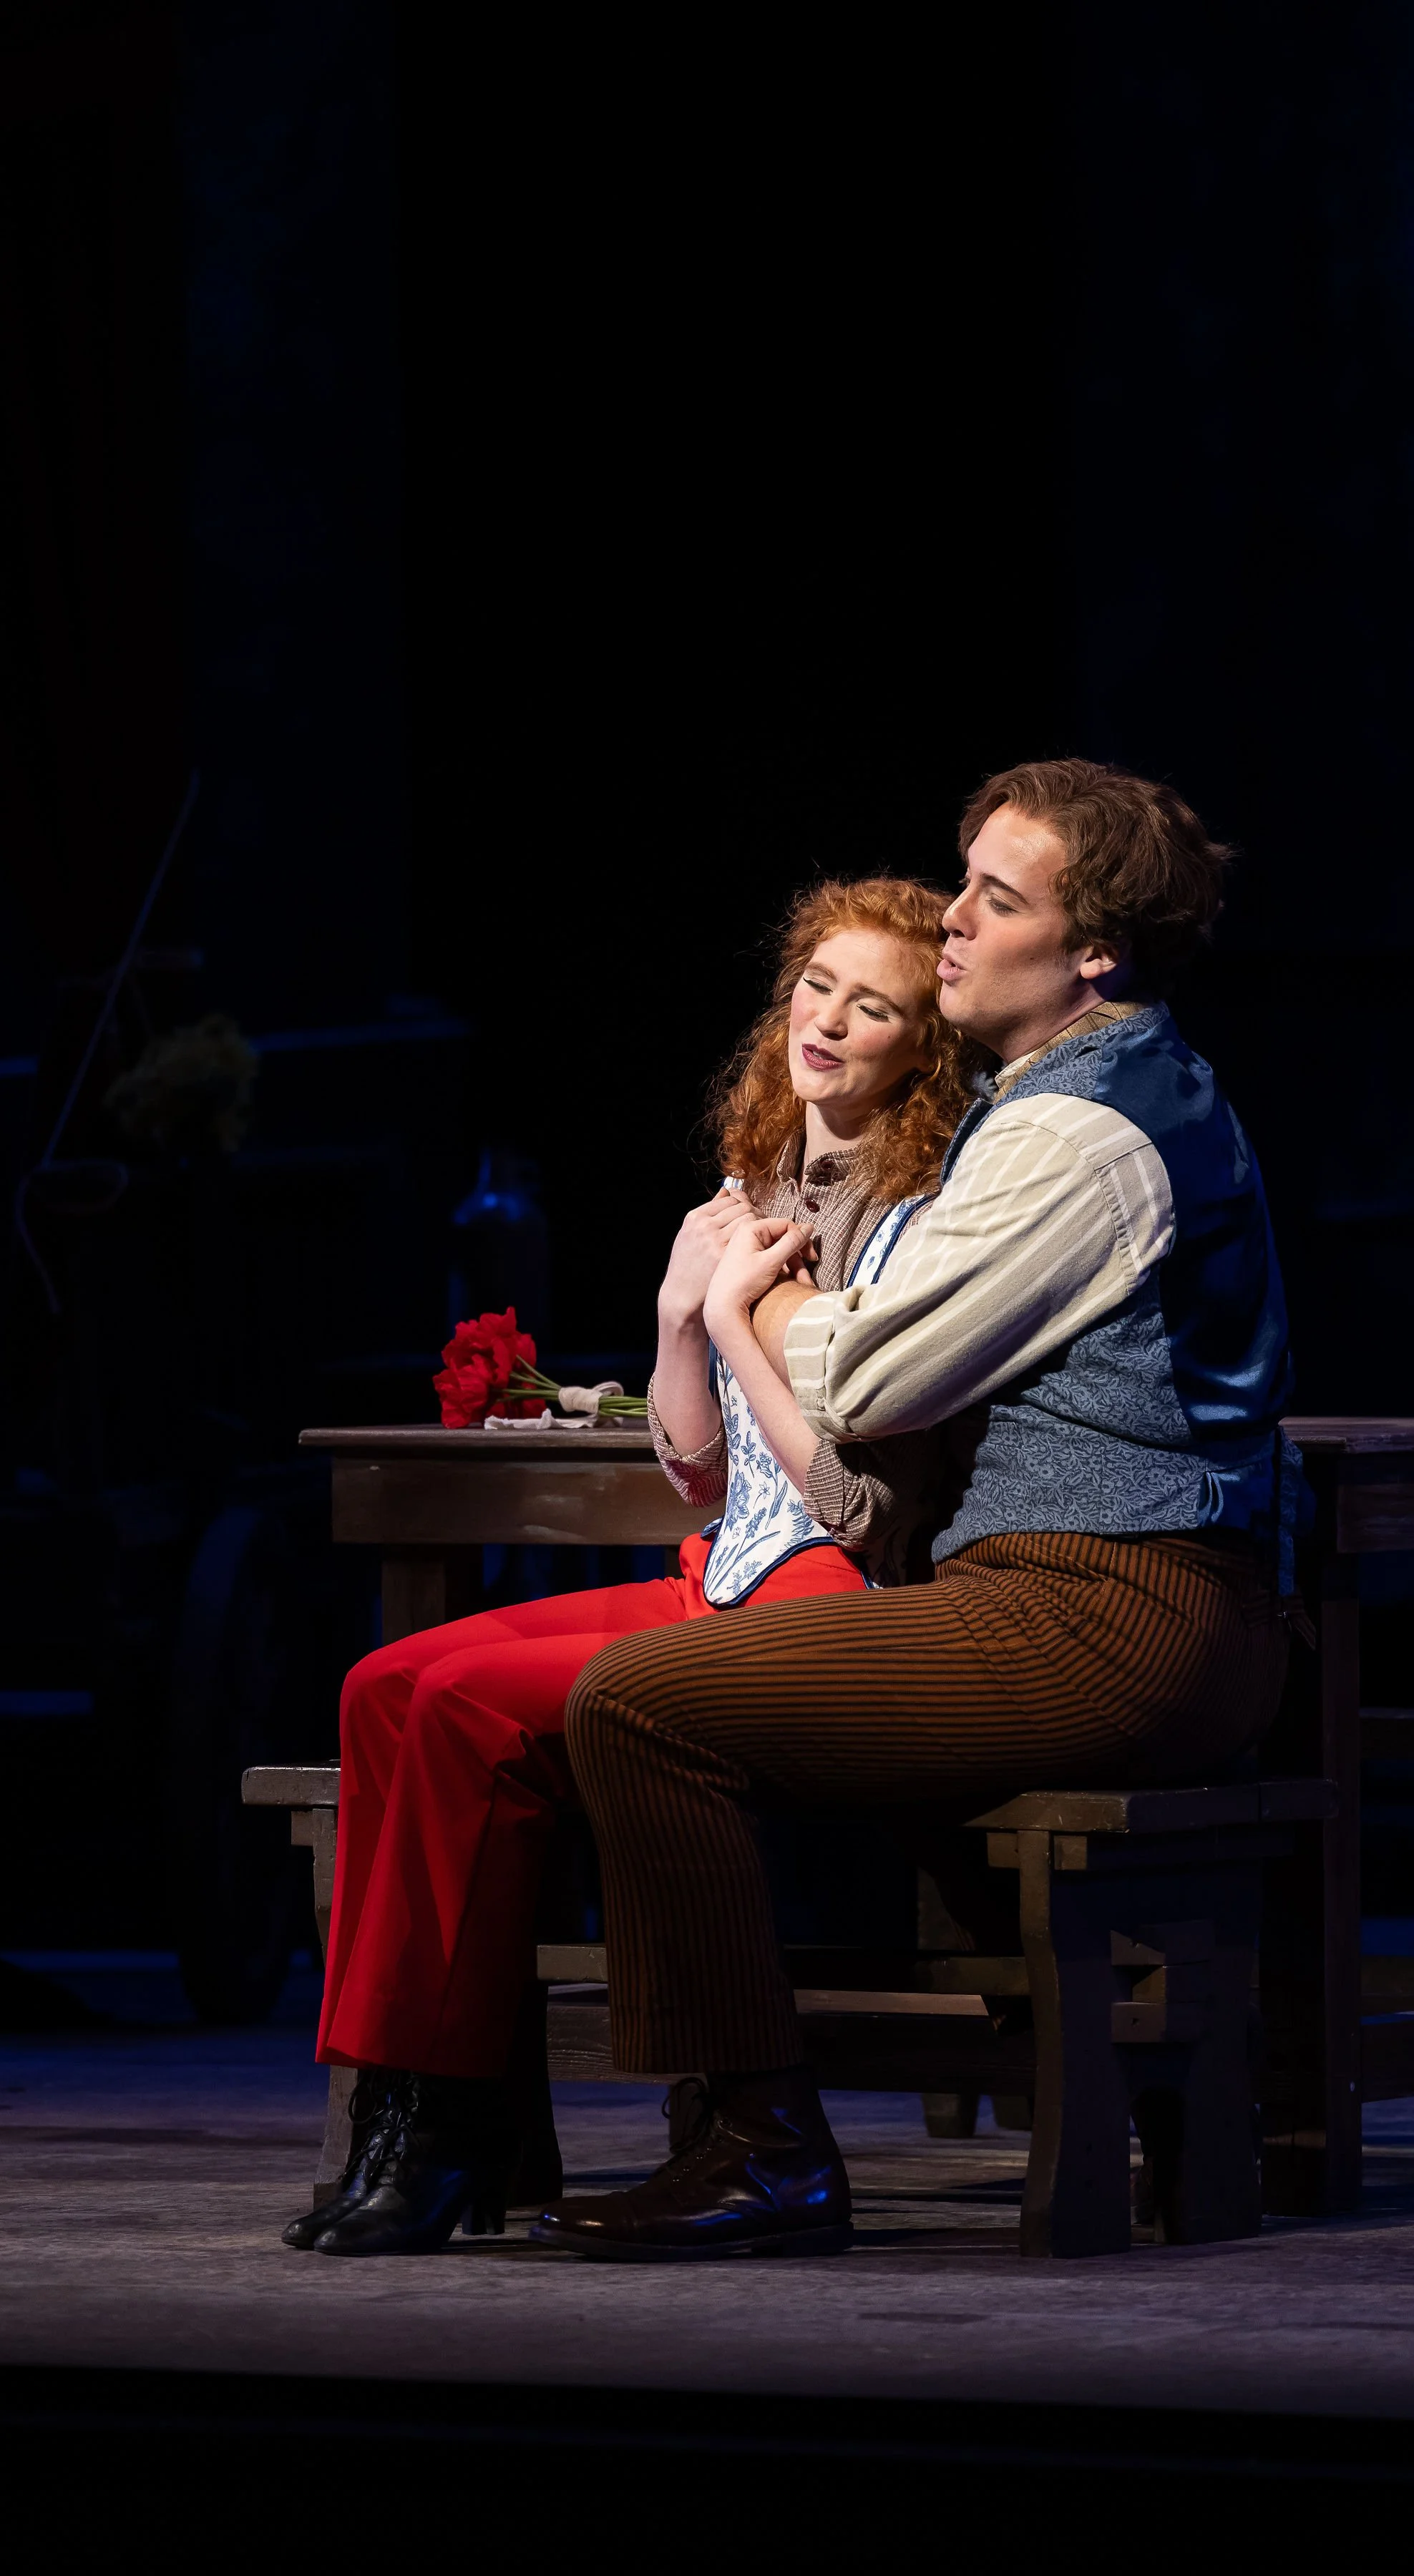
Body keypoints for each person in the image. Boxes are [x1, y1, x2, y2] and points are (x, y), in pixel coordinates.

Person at [531, 756, 1300, 2263]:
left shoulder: (1082, 1133)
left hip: (1116, 1610)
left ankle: (762, 2147)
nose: (951, 922)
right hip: (1077, 1595)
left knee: (637, 1705)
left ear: (1095, 951)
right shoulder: (1074, 1098)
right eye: (964, 882)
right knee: (826, 1726)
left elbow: (878, 1383)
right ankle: (1134, 2102)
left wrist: (753, 1298)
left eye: (996, 900)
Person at [283, 875, 983, 2256]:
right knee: (384, 1686)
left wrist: (734, 1316)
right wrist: (680, 1315)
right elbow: (708, 1476)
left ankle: (446, 2123)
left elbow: (854, 1508)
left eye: (876, 1007)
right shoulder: (768, 1180)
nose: (830, 1022)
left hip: (835, 1602)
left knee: (473, 1713)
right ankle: (414, 2109)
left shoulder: (919, 1220)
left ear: (923, 1050)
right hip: (730, 1564)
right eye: (817, 986)